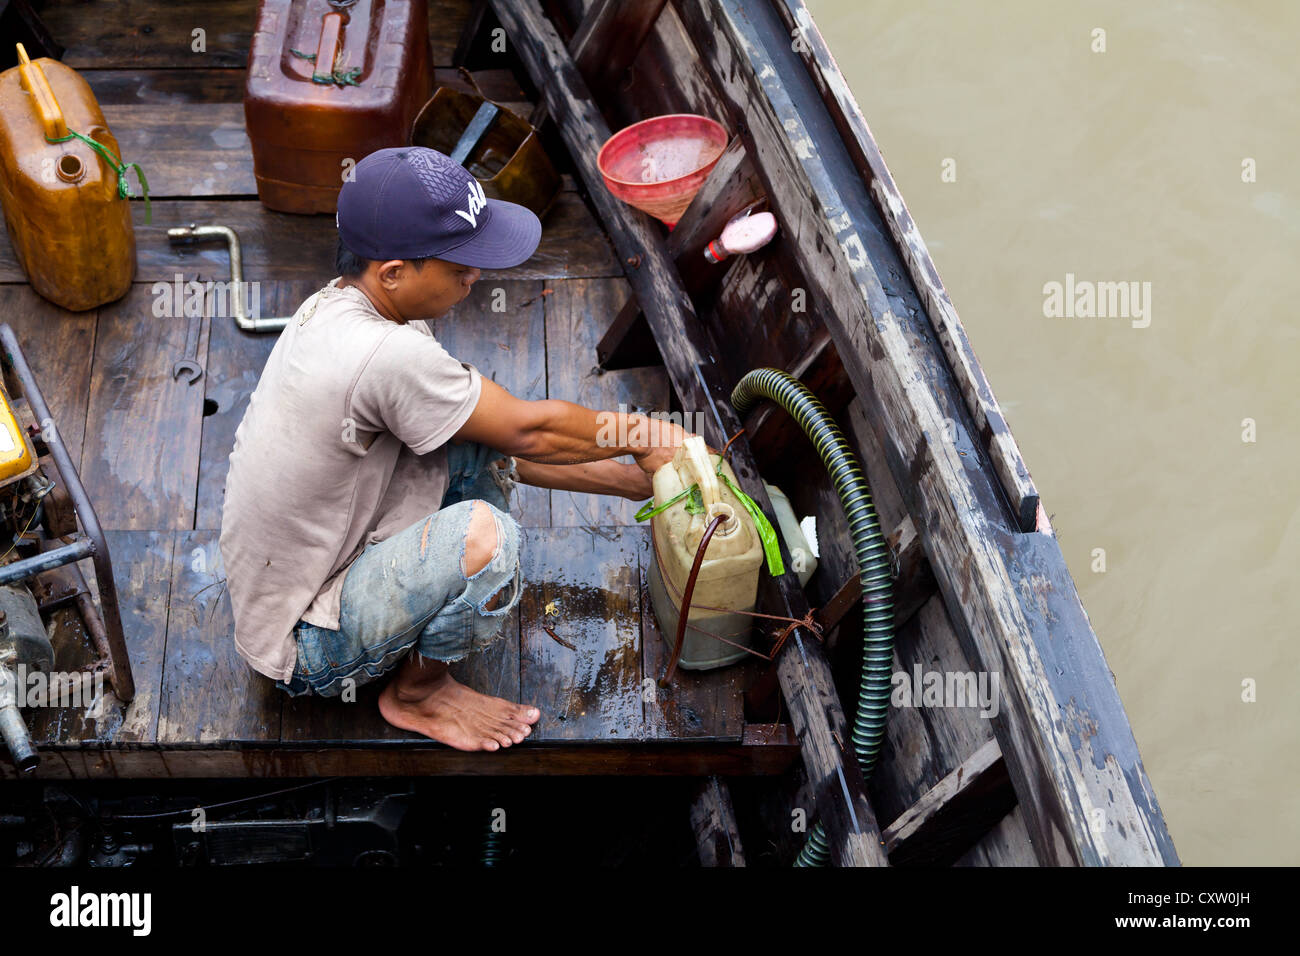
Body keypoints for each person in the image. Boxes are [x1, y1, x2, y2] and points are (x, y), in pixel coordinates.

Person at [219, 146, 688, 751]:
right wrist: (648, 435)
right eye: (460, 265)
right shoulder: (387, 354)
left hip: (300, 569)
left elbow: (496, 438)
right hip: (303, 642)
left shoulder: (341, 304)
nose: (475, 278)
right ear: (392, 272)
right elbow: (529, 431)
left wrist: (642, 477)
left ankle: (637, 491)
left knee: (469, 438)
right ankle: (417, 693)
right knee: (489, 542)